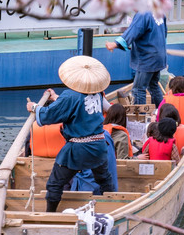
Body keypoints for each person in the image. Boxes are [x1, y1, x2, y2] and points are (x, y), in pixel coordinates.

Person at [26, 56, 116, 212]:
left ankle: (50, 215)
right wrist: (56, 98)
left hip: (78, 149)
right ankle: (112, 207)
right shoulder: (97, 94)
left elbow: (48, 115)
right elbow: (78, 104)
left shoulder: (70, 96)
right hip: (98, 146)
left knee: (55, 183)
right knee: (104, 180)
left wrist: (34, 108)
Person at [105, 11, 167, 106]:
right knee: (153, 85)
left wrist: (115, 44)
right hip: (159, 55)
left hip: (148, 58)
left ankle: (139, 119)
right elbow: (164, 33)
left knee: (138, 89)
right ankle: (160, 112)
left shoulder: (143, 14)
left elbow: (132, 32)